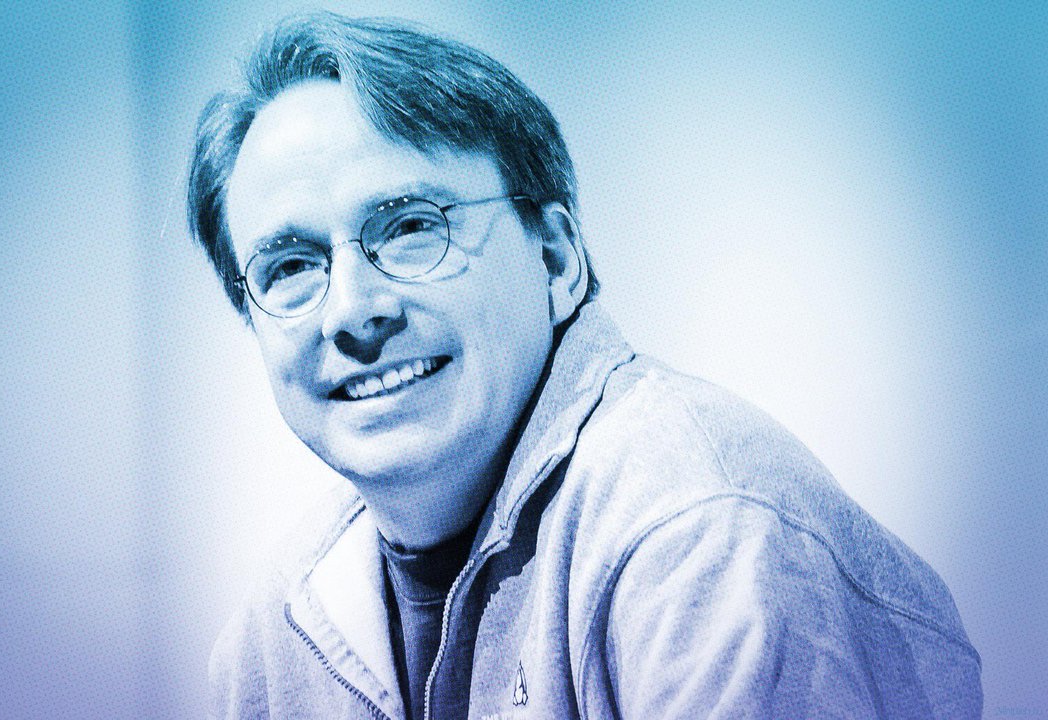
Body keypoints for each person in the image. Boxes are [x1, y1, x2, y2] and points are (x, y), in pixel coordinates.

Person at [188, 12, 982, 720]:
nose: (351, 310)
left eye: (410, 227)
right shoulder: (270, 639)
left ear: (557, 259)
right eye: (290, 267)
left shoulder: (701, 533)